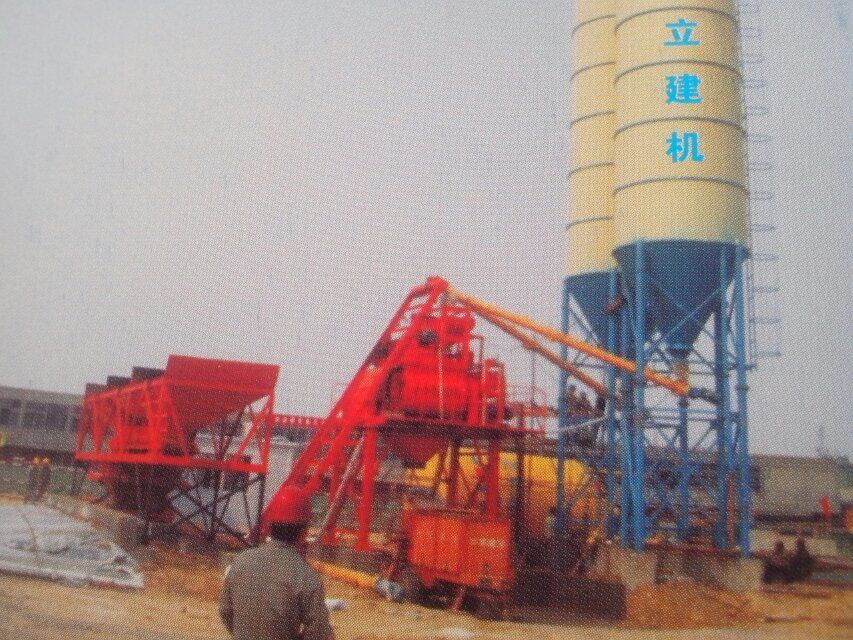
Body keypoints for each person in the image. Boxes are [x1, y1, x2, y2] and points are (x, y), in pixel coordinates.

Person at [219, 487, 334, 640]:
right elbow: (319, 633)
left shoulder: (241, 561)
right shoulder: (306, 577)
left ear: (270, 527)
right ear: (303, 532)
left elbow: (225, 611)